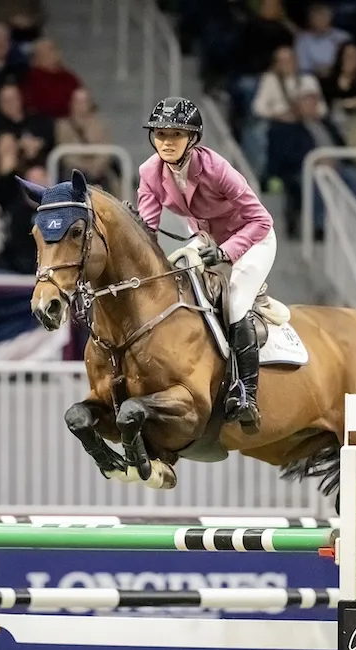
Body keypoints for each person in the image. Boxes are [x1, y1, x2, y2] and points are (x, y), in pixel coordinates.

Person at [136, 96, 275, 434]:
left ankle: (246, 395)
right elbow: (147, 230)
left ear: (192, 139)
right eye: (160, 135)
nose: (166, 143)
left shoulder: (217, 169)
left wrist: (227, 252)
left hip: (250, 241)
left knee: (237, 306)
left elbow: (262, 220)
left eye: (175, 135)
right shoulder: (149, 172)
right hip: (205, 240)